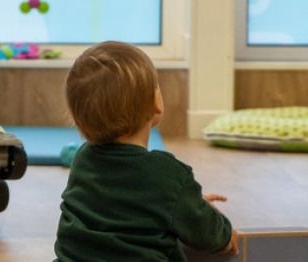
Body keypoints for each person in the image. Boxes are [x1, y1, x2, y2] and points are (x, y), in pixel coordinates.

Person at [54, 41, 237, 261]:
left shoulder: (83, 159)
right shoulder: (168, 174)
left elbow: (120, 206)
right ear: (155, 102)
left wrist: (185, 203)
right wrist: (223, 232)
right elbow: (211, 236)